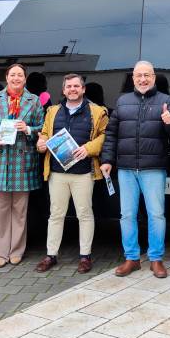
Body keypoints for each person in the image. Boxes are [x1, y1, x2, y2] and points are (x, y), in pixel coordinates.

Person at [100, 60, 170, 278]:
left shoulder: (166, 101)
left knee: (156, 215)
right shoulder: (123, 101)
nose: (143, 79)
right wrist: (107, 159)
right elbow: (111, 134)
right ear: (133, 78)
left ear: (154, 77)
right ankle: (132, 258)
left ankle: (156, 259)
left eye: (147, 75)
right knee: (127, 215)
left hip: (153, 169)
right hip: (126, 169)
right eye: (139, 75)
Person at [35, 74, 109, 274]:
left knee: (84, 214)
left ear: (83, 89)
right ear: (64, 90)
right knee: (56, 214)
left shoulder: (97, 112)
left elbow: (105, 136)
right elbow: (44, 134)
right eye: (69, 86)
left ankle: (85, 256)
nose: (73, 89)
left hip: (84, 172)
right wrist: (41, 143)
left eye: (77, 86)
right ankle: (51, 255)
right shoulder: (52, 111)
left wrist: (89, 148)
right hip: (57, 173)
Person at [0, 63, 44, 268]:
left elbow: (43, 127)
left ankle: (16, 250)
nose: (16, 78)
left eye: (20, 75)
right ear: (7, 78)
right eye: (12, 74)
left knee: (20, 211)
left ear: (25, 79)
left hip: (22, 161)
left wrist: (28, 129)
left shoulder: (33, 101)